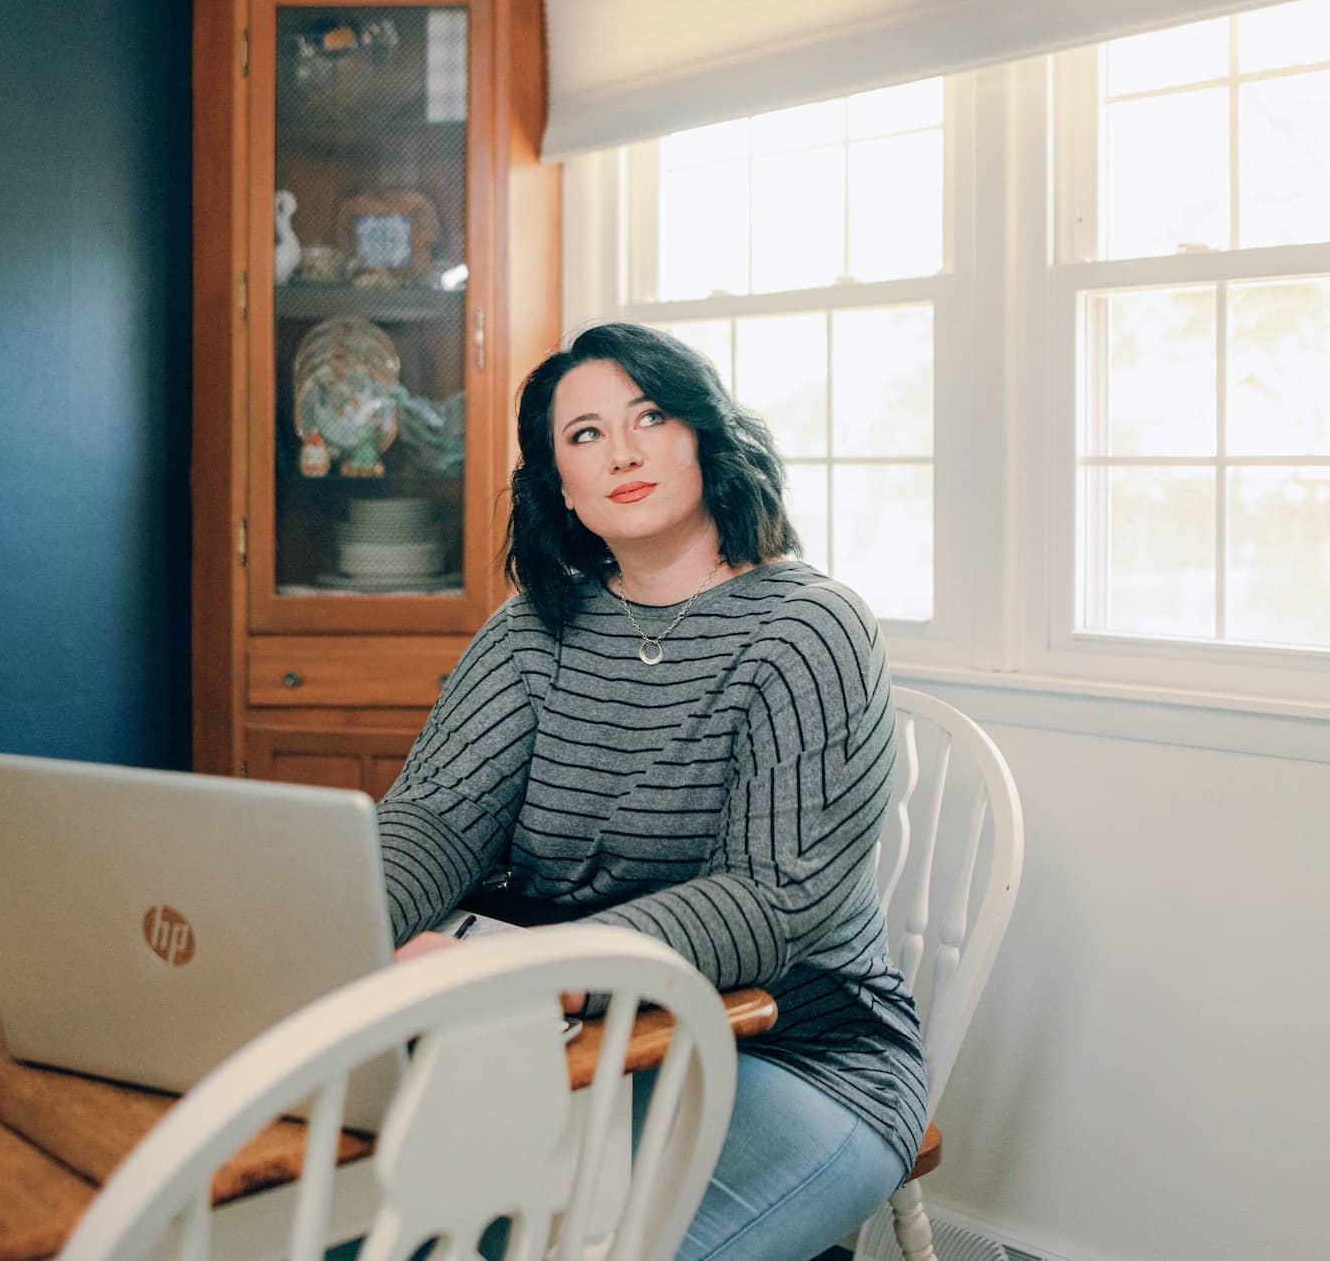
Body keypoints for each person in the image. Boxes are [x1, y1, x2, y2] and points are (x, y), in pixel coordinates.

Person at [373, 320, 925, 1260]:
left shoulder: (810, 629)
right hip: (579, 1046)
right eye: (584, 435)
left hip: (797, 1052)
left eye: (651, 416)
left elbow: (768, 903)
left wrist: (534, 968)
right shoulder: (532, 632)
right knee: (372, 1227)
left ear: (706, 438)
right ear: (562, 488)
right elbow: (434, 821)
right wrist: (336, 925)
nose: (621, 450)